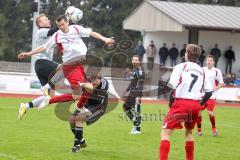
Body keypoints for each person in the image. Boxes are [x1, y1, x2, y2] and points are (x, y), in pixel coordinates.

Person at [18, 15, 114, 115]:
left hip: (79, 65)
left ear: (67, 22)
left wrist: (104, 39)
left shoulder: (76, 29)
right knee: (89, 88)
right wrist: (28, 53)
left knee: (77, 96)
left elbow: (91, 33)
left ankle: (48, 97)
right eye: (59, 26)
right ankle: (77, 105)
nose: (61, 27)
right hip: (71, 67)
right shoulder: (57, 35)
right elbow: (44, 47)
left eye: (63, 24)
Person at [159, 44, 212, 160]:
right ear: (198, 57)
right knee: (188, 132)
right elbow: (209, 92)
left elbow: (172, 87)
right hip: (195, 105)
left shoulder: (180, 67)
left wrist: (170, 104)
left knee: (165, 133)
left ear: (187, 55)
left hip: (181, 102)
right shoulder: (203, 71)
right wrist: (200, 104)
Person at [18, 14, 60, 120]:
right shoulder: (41, 31)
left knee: (51, 97)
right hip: (43, 63)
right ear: (40, 24)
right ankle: (46, 87)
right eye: (45, 19)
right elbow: (55, 30)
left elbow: (57, 34)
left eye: (48, 18)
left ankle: (26, 106)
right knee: (65, 67)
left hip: (41, 66)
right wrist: (66, 21)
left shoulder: (47, 34)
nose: (48, 20)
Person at [69, 73, 109, 152]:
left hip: (99, 106)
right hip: (88, 103)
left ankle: (76, 147)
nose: (95, 85)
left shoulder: (105, 84)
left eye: (97, 84)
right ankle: (81, 140)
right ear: (90, 81)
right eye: (93, 84)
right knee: (71, 120)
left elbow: (97, 96)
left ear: (100, 80)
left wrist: (85, 86)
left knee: (79, 118)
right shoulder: (86, 81)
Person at [197, 55, 224, 137]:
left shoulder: (217, 71)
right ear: (206, 61)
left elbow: (221, 83)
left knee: (210, 113)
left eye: (211, 60)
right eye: (208, 60)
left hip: (211, 96)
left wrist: (215, 88)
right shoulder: (201, 70)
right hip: (201, 95)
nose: (209, 61)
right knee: (198, 113)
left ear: (213, 62)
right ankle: (199, 130)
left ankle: (214, 128)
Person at [122, 55, 144, 134]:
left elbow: (141, 83)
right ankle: (136, 125)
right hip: (132, 92)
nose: (134, 61)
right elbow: (132, 82)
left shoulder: (140, 70)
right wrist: (127, 90)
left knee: (136, 110)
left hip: (136, 93)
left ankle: (137, 129)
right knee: (126, 107)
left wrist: (138, 96)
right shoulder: (134, 70)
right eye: (133, 60)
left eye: (136, 60)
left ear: (139, 61)